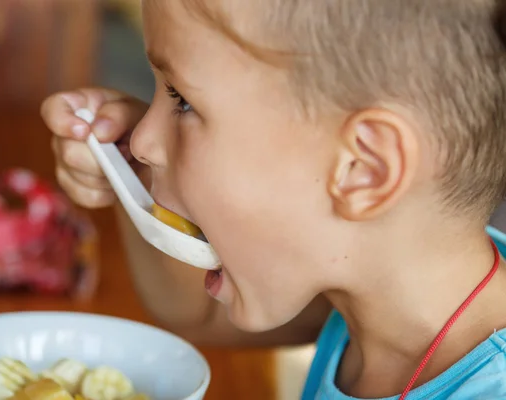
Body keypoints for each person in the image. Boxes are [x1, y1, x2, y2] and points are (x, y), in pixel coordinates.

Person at [41, 1, 506, 398]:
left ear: (363, 169)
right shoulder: (368, 298)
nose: (143, 139)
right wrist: (131, 172)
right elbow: (195, 316)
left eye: (183, 100)